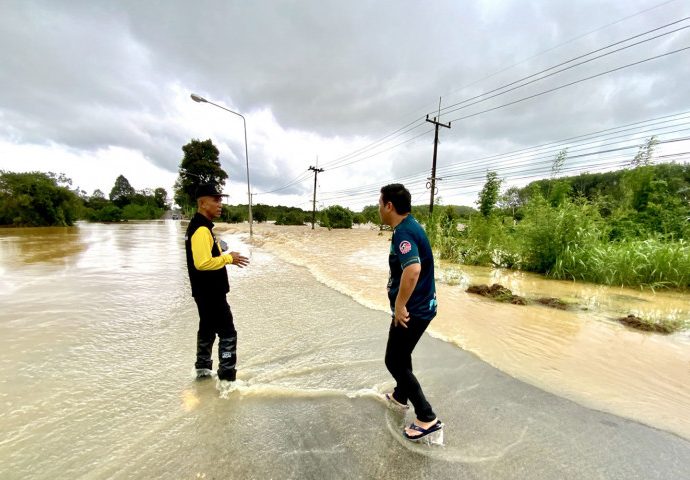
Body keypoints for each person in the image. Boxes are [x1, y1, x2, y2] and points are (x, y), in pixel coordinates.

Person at [378, 183, 442, 441]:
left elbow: (412, 269)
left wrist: (400, 305)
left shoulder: (404, 232)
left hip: (413, 310)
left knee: (393, 360)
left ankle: (427, 417)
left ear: (389, 206)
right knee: (402, 356)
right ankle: (400, 396)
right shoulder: (409, 226)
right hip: (422, 306)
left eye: (380, 203)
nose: (378, 208)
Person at [184, 183, 249, 381]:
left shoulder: (199, 226)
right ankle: (227, 377)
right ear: (203, 203)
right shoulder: (201, 229)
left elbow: (205, 255)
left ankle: (202, 371)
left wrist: (219, 248)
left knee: (207, 328)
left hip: (203, 291)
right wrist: (229, 258)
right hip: (211, 292)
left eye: (220, 200)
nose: (220, 204)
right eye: (216, 200)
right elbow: (202, 263)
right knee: (227, 332)